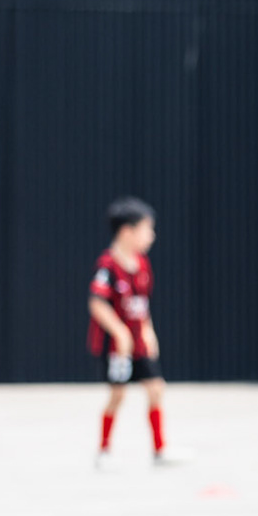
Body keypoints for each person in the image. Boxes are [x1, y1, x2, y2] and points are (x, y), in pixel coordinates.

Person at [88, 197, 174, 469]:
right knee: (118, 395)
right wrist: (119, 331)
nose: (152, 236)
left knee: (156, 388)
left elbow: (142, 305)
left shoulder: (143, 265)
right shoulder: (108, 266)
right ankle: (104, 451)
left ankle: (160, 450)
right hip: (117, 348)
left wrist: (148, 331)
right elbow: (97, 304)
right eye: (147, 229)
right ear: (127, 231)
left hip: (139, 344)